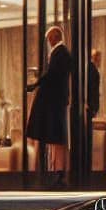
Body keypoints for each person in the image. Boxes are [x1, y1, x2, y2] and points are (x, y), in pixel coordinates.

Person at [26, 26, 72, 185]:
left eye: (50, 38)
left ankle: (57, 173)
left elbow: (52, 75)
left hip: (54, 102)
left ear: (55, 37)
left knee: (55, 136)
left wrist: (35, 85)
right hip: (56, 101)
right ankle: (56, 171)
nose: (49, 41)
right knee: (56, 137)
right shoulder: (61, 53)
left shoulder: (60, 53)